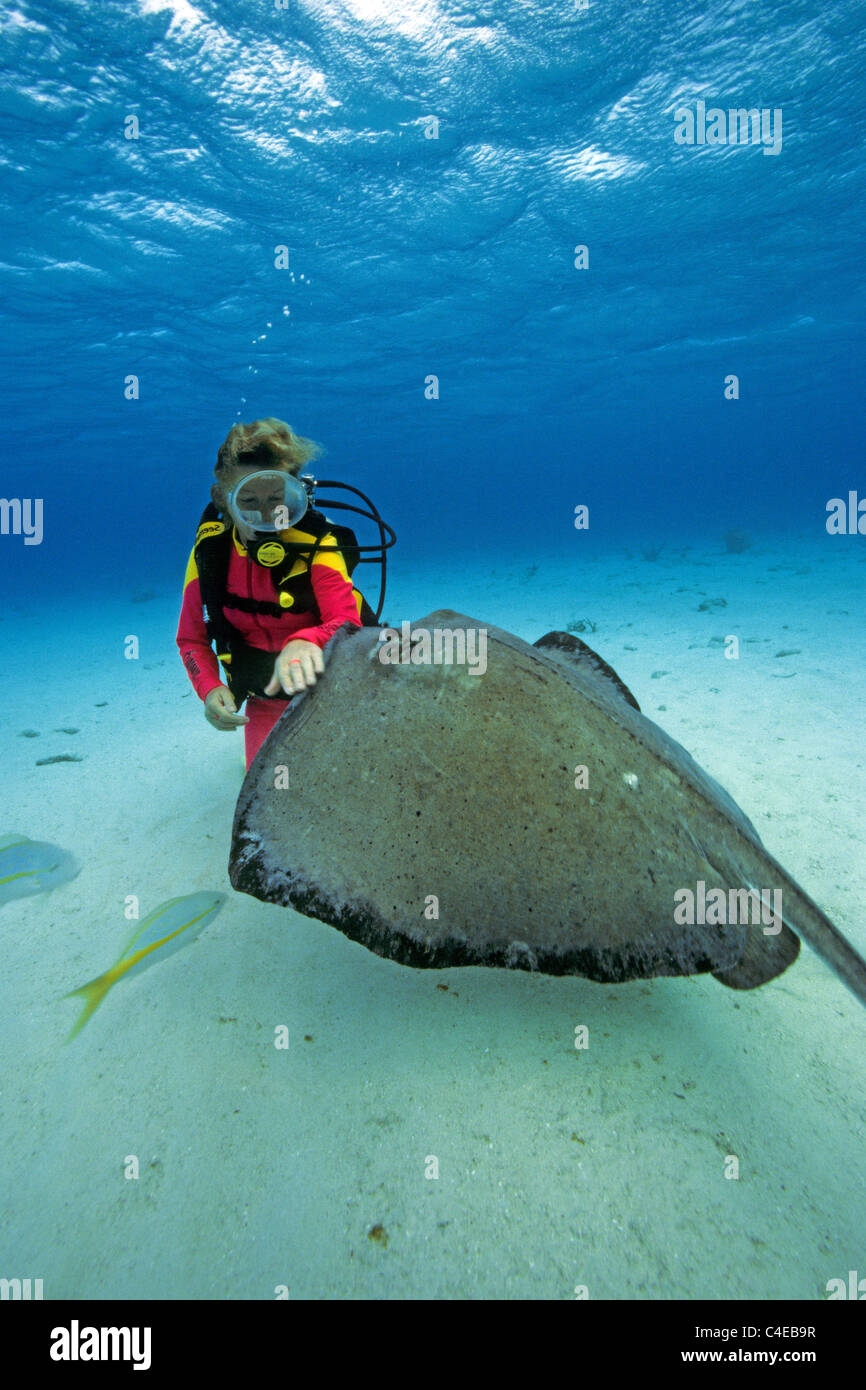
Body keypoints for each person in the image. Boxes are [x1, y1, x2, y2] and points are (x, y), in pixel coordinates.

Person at [176, 417, 366, 768]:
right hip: (264, 696)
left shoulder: (319, 546)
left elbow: (347, 623)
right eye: (248, 500)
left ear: (297, 495)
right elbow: (191, 640)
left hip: (335, 685)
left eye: (277, 499)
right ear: (224, 499)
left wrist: (306, 639)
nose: (266, 515)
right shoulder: (208, 554)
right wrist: (210, 689)